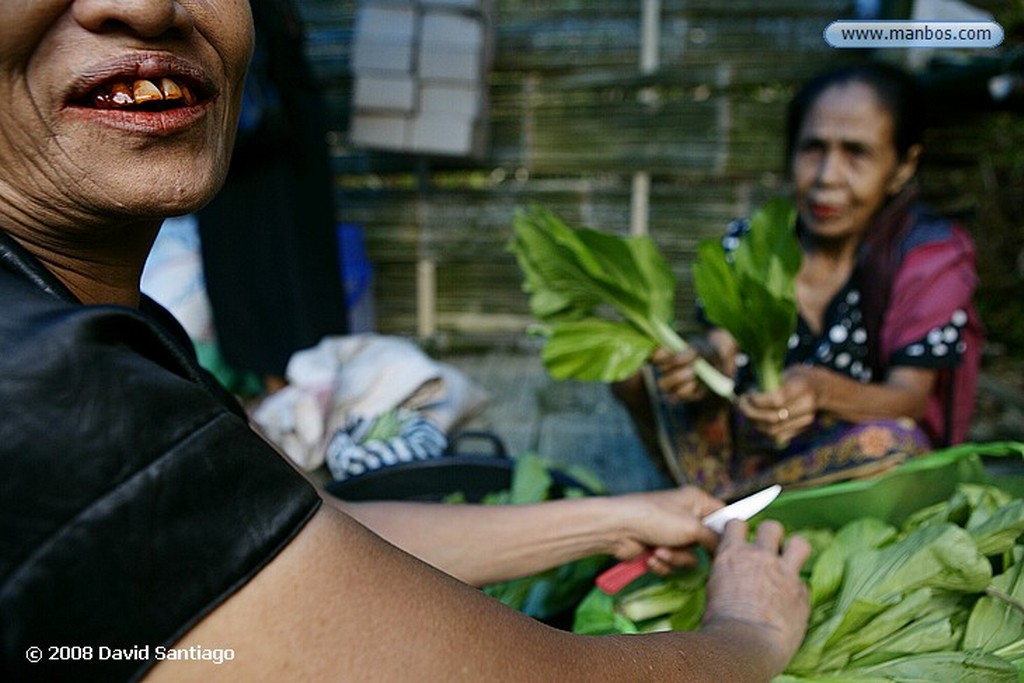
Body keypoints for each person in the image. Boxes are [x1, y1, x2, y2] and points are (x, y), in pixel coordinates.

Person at [0, 2, 812, 682]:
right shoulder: (39, 377)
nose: (146, 7)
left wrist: (611, 519)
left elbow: (308, 535)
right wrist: (749, 631)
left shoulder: (111, 327)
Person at [613, 62, 984, 500]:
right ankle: (725, 500)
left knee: (892, 444)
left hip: (845, 462)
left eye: (856, 153)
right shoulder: (754, 241)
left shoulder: (929, 258)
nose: (827, 176)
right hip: (748, 444)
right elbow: (724, 346)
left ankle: (717, 507)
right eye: (813, 149)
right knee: (634, 372)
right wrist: (701, 362)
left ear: (904, 166)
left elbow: (909, 399)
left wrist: (819, 389)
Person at [196, 0, 349, 394]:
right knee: (270, 267)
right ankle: (287, 385)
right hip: (267, 141)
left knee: (271, 268)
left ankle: (290, 386)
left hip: (263, 137)